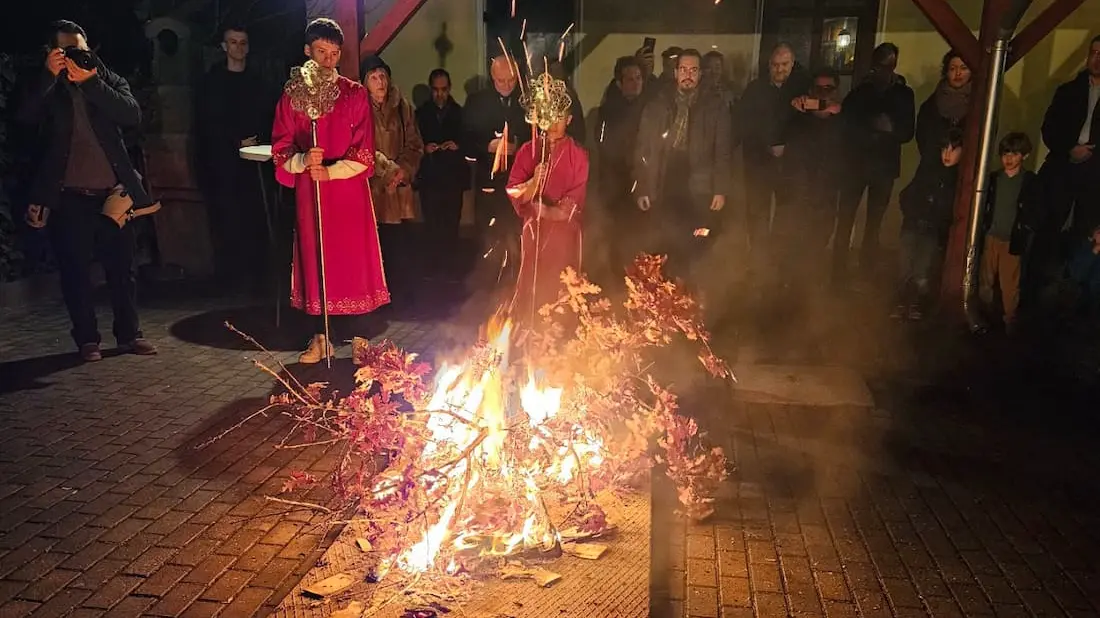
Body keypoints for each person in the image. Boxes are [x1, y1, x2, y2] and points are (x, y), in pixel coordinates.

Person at [18, 20, 158, 362]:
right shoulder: (47, 86)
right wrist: (49, 77)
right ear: (52, 53)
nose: (73, 56)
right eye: (65, 51)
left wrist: (92, 81)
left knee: (122, 269)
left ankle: (129, 335)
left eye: (79, 49)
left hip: (113, 194)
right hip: (69, 195)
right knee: (75, 271)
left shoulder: (106, 78)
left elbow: (131, 115)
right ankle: (87, 339)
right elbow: (24, 118)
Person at [271, 18, 389, 363]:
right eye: (321, 52)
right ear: (307, 51)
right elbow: (281, 147)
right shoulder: (292, 95)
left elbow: (365, 151)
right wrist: (304, 160)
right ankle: (322, 337)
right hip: (312, 192)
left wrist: (333, 170)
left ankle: (360, 338)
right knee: (316, 258)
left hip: (347, 191)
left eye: (334, 54)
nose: (327, 60)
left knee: (352, 261)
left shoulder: (354, 94)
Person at [634, 49, 732, 276]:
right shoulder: (658, 105)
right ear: (676, 72)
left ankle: (691, 293)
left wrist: (720, 189)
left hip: (699, 184)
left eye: (694, 70)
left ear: (700, 74)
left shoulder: (715, 107)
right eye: (684, 70)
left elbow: (723, 151)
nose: (688, 75)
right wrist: (642, 187)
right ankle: (663, 295)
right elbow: (643, 149)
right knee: (663, 240)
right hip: (664, 179)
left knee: (696, 240)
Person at [194, 24, 276, 291]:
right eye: (233, 42)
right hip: (222, 165)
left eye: (243, 43)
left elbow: (268, 117)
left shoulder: (258, 82)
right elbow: (206, 123)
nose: (238, 48)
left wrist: (257, 139)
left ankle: (256, 278)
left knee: (254, 219)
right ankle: (229, 278)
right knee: (226, 219)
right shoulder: (211, 83)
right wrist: (234, 141)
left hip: (254, 166)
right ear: (224, 46)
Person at [506, 75, 588, 322]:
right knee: (530, 280)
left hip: (564, 233)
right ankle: (527, 330)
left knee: (561, 282)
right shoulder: (528, 151)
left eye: (560, 118)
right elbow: (513, 190)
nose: (553, 124)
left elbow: (576, 198)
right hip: (533, 231)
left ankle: (559, 335)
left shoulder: (579, 155)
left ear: (569, 120)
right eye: (549, 117)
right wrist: (533, 182)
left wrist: (548, 212)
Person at [838, 42, 915, 282]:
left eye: (889, 65)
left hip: (883, 168)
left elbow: (907, 132)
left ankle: (866, 268)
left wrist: (889, 129)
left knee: (874, 223)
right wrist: (870, 129)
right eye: (881, 65)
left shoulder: (903, 93)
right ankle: (837, 272)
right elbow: (846, 124)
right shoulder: (862, 91)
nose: (885, 70)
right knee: (845, 218)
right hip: (857, 165)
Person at [737, 43, 811, 279]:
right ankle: (758, 264)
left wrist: (789, 147)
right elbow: (744, 124)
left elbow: (810, 129)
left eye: (784, 65)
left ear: (792, 64)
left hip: (790, 166)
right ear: (769, 65)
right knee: (757, 214)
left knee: (786, 216)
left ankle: (781, 267)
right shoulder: (755, 89)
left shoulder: (803, 91)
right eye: (775, 65)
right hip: (759, 164)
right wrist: (765, 145)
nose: (780, 69)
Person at [1036, 35, 1100, 293]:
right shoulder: (1068, 91)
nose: (1097, 59)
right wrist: (1069, 149)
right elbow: (1049, 128)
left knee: (1084, 233)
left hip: (1095, 174)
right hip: (1062, 169)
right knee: (1049, 228)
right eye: (1094, 52)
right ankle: (1040, 292)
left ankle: (1075, 297)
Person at [463, 55, 532, 291]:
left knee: (516, 237)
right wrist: (487, 146)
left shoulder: (527, 101)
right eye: (500, 81)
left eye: (511, 80)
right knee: (489, 239)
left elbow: (535, 137)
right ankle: (487, 290)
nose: (506, 85)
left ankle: (516, 286)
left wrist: (517, 146)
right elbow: (466, 141)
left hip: (518, 181)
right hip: (488, 182)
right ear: (492, 78)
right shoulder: (477, 102)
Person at [362, 55, 424, 303]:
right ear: (365, 82)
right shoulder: (360, 108)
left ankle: (402, 298)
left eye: (383, 76)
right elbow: (361, 146)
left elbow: (415, 143)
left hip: (399, 191)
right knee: (376, 247)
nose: (380, 82)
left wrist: (403, 170)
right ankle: (376, 299)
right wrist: (385, 171)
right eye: (374, 77)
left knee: (401, 246)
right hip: (374, 189)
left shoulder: (403, 107)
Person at [892, 129, 963, 321]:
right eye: (944, 149)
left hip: (932, 230)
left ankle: (917, 304)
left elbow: (951, 209)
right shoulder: (928, 170)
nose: (947, 154)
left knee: (922, 270)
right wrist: (912, 210)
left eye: (953, 150)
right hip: (912, 225)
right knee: (903, 266)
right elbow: (908, 194)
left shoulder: (959, 180)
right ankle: (900, 302)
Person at [786, 68, 846, 286]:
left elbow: (848, 155)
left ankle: (812, 294)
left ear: (836, 91)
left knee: (817, 247)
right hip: (799, 197)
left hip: (826, 196)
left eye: (828, 88)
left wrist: (836, 115)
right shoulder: (799, 120)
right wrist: (797, 110)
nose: (823, 94)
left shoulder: (843, 121)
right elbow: (789, 153)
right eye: (818, 89)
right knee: (794, 247)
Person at [978, 132, 1041, 335]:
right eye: (1005, 153)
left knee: (1010, 283)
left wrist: (1026, 229)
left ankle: (1010, 321)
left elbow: (1034, 209)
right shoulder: (994, 179)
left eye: (1014, 154)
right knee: (985, 278)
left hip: (1012, 239)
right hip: (992, 235)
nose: (1008, 158)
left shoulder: (1029, 181)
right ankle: (982, 316)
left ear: (1024, 155)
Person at [596, 56, 648, 271]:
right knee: (616, 236)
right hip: (616, 184)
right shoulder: (609, 110)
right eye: (629, 79)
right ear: (619, 83)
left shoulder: (650, 108)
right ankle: (616, 280)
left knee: (640, 236)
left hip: (642, 182)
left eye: (638, 78)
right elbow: (604, 146)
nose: (635, 83)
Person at [415, 68, 468, 278]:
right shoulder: (420, 115)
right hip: (430, 177)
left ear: (449, 89)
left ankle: (451, 268)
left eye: (443, 90)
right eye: (436, 90)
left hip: (453, 178)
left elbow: (470, 141)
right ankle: (433, 268)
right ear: (431, 89)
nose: (440, 94)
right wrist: (424, 148)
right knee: (432, 225)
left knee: (451, 224)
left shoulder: (459, 113)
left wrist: (458, 145)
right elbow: (412, 142)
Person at [916, 51, 972, 167]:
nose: (958, 73)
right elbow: (923, 138)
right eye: (952, 69)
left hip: (966, 170)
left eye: (963, 68)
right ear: (946, 72)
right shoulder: (931, 105)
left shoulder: (980, 104)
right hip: (933, 169)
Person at [1067, 224, 1100, 319]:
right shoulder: (1084, 248)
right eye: (1099, 232)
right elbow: (1077, 275)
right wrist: (1094, 251)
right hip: (1086, 305)